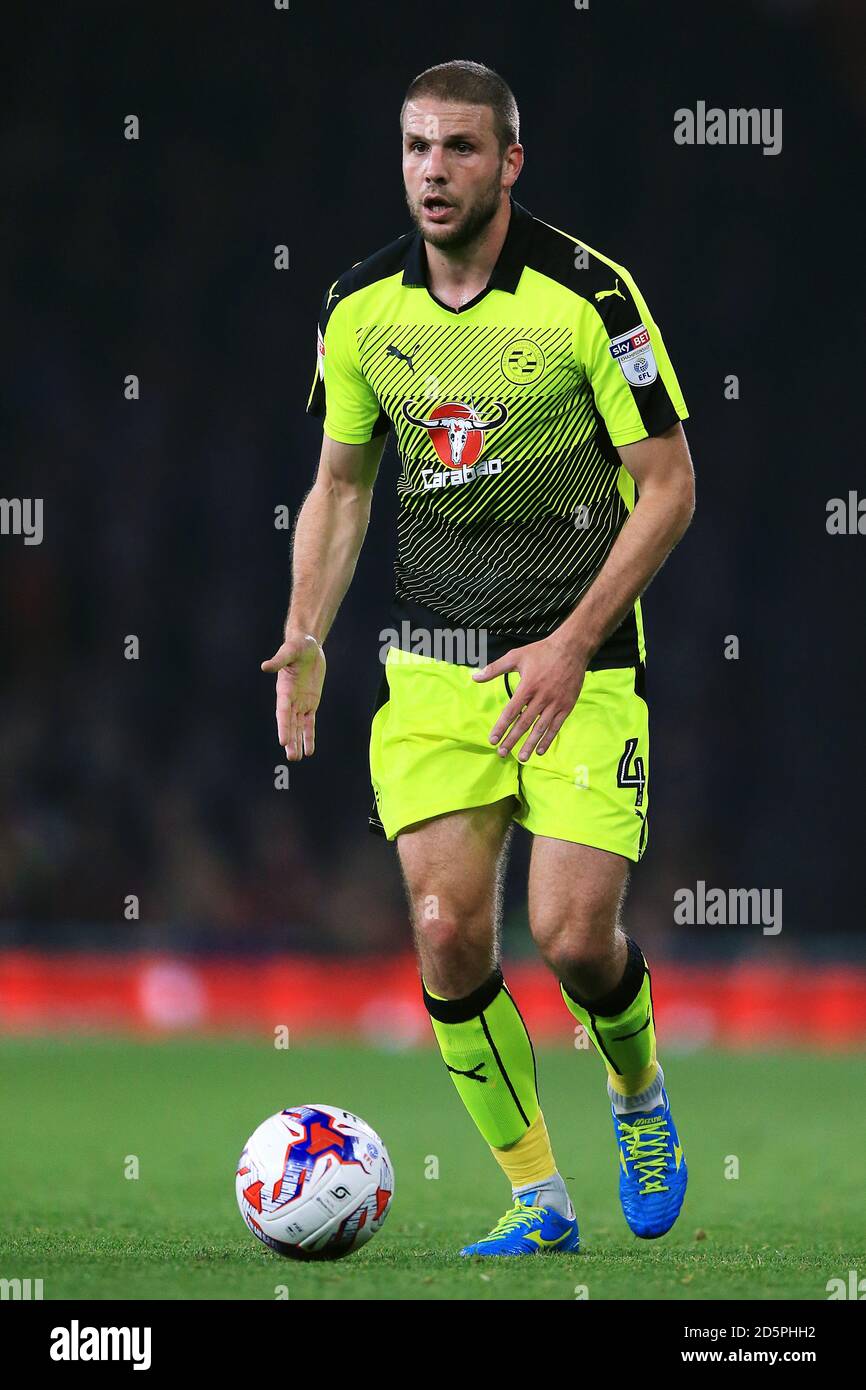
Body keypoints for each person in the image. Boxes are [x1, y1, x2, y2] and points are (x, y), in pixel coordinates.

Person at [262, 59, 695, 1256]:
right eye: (414, 148)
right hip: (431, 671)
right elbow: (340, 489)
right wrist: (305, 630)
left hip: (583, 665)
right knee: (448, 932)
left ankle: (637, 1093)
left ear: (508, 161)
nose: (432, 172)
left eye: (458, 149)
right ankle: (538, 1197)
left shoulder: (587, 297)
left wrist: (568, 643)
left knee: (571, 935)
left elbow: (667, 489)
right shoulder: (358, 308)